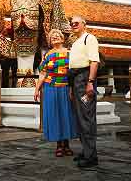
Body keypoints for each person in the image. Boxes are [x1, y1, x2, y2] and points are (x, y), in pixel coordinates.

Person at [34, 29, 77, 157]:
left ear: (63, 39)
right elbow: (43, 73)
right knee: (56, 115)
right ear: (50, 41)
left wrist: (72, 88)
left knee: (67, 115)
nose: (56, 37)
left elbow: (74, 72)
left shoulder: (70, 53)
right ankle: (59, 145)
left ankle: (67, 144)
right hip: (51, 87)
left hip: (66, 87)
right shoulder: (47, 55)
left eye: (58, 35)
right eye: (53, 37)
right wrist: (37, 89)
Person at [69, 15, 100, 168]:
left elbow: (94, 61)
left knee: (87, 117)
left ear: (84, 24)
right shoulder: (75, 43)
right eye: (72, 23)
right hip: (75, 81)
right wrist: (70, 88)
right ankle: (87, 151)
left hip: (85, 79)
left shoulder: (90, 38)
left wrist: (90, 83)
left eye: (76, 23)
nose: (73, 25)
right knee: (80, 118)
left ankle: (91, 157)